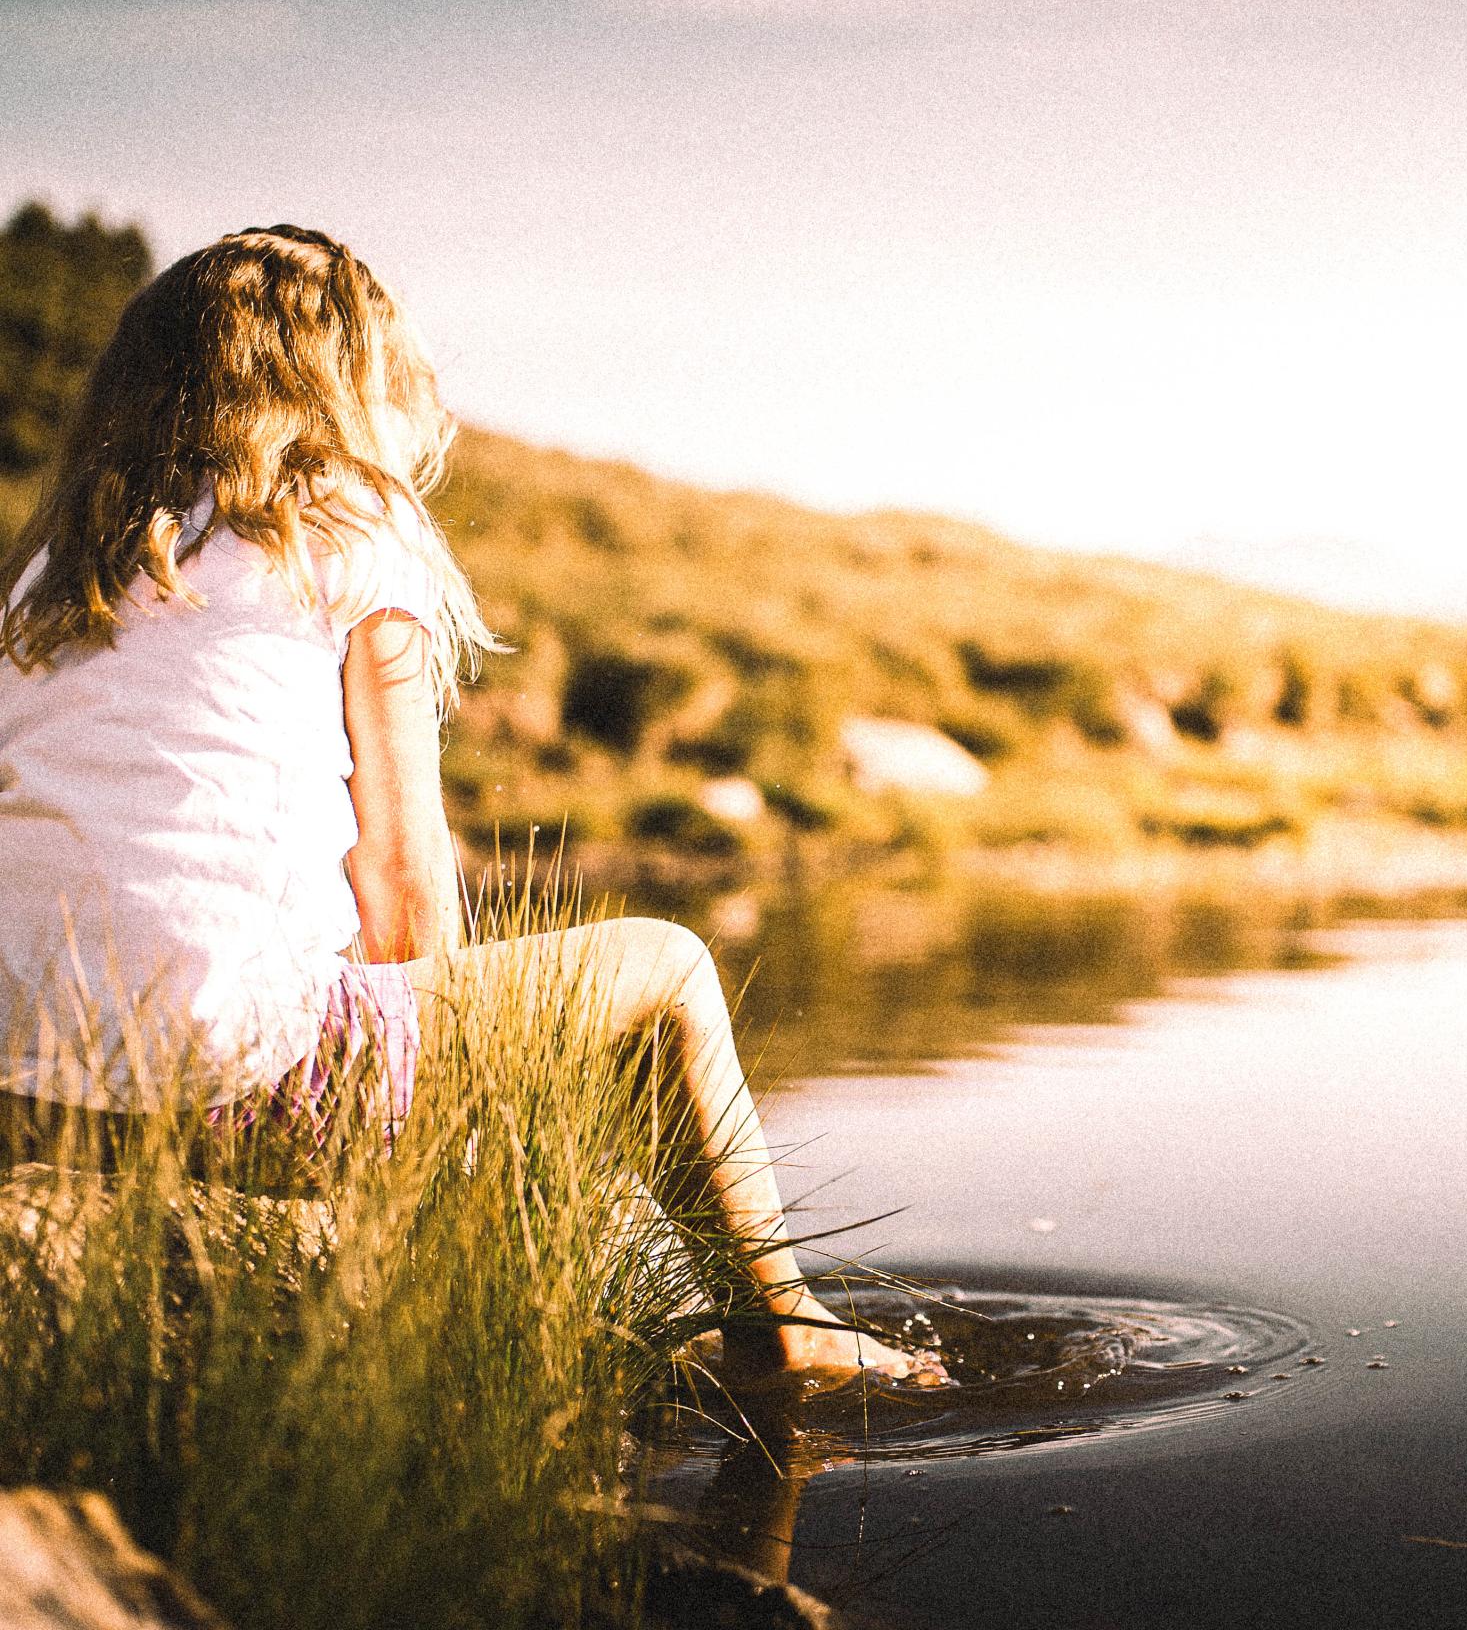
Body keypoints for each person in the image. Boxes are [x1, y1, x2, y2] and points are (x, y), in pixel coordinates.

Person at [0, 224, 918, 1388]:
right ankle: (784, 1325)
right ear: (350, 383)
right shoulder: (343, 525)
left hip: (27, 1092)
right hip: (237, 1084)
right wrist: (440, 1118)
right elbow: (401, 874)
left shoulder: (56, 570)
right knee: (671, 969)